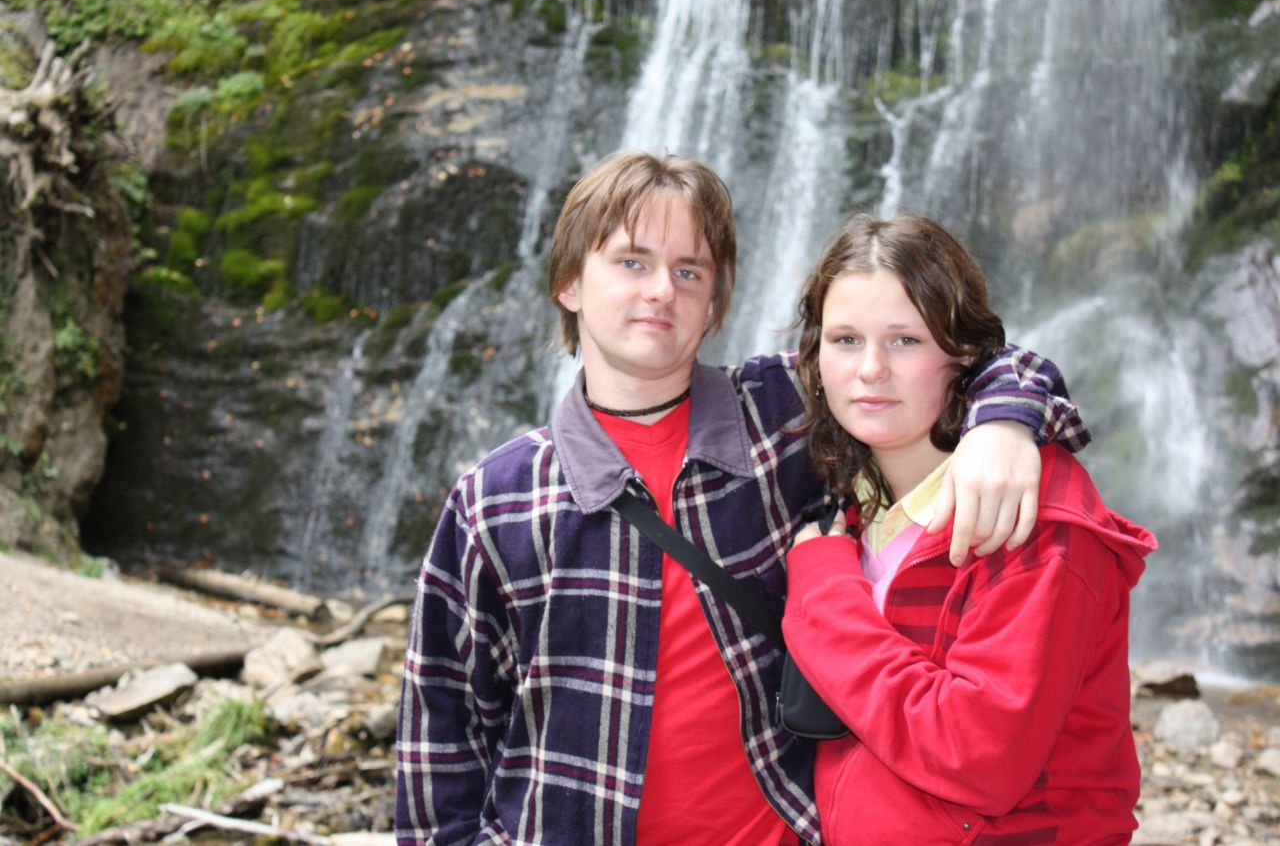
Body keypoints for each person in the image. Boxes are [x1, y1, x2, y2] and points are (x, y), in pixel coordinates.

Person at [394, 153, 1089, 845]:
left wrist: (1003, 425)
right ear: (569, 282)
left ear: (716, 301)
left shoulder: (786, 416)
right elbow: (441, 737)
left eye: (689, 271)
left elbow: (965, 356)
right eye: (632, 262)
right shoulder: (497, 500)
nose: (661, 290)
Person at [783, 213, 1155, 844]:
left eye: (905, 340)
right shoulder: (848, 497)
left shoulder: (1033, 518)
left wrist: (822, 593)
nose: (870, 368)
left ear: (962, 354)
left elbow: (976, 757)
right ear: (816, 357)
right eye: (845, 339)